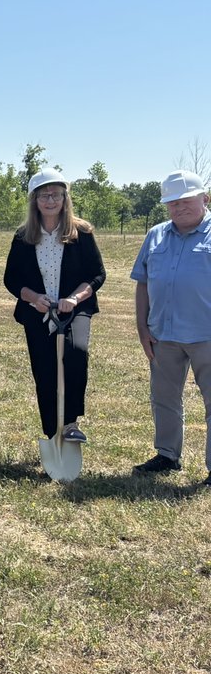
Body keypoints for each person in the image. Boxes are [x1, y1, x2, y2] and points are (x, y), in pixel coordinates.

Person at [3, 168, 105, 447]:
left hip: (74, 308)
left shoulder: (81, 233)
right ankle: (52, 433)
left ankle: (70, 422)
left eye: (56, 195)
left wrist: (74, 298)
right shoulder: (24, 236)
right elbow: (11, 279)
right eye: (44, 195)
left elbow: (97, 274)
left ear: (65, 198)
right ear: (34, 200)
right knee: (45, 369)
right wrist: (33, 298)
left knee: (75, 352)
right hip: (37, 310)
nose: (50, 200)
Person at [131, 170, 211, 485]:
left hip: (206, 335)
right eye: (172, 203)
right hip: (162, 335)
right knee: (164, 398)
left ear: (205, 199)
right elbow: (142, 282)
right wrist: (142, 327)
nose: (179, 207)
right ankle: (167, 455)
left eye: (186, 200)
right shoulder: (156, 235)